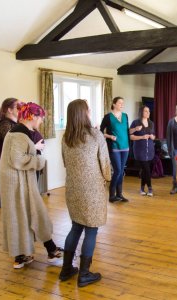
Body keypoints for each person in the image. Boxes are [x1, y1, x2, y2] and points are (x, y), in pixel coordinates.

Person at [0, 102, 63, 269]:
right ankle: (51, 250)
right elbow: (18, 159)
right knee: (34, 212)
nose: (41, 121)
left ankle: (22, 256)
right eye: (40, 118)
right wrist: (40, 160)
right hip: (18, 182)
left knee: (19, 215)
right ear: (33, 117)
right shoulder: (20, 134)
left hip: (15, 180)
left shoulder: (18, 131)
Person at [60, 99, 111, 287]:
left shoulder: (66, 137)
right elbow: (105, 164)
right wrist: (107, 179)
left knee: (76, 227)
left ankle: (66, 269)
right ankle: (84, 274)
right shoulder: (96, 135)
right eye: (88, 109)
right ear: (84, 113)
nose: (90, 112)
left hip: (73, 187)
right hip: (92, 189)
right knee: (91, 229)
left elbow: (65, 162)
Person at [0, 98, 19, 208]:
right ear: (10, 110)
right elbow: (14, 144)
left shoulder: (14, 124)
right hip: (6, 163)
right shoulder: (4, 125)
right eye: (18, 107)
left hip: (11, 161)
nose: (21, 109)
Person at [100, 96, 130, 203]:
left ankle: (120, 194)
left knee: (121, 171)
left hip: (125, 147)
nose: (122, 105)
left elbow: (126, 131)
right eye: (120, 103)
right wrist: (109, 136)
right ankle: (111, 194)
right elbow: (100, 132)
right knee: (117, 170)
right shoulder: (108, 117)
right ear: (114, 104)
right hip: (114, 147)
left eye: (123, 103)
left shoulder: (125, 116)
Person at [129, 105, 156, 196]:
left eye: (149, 111)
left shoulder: (151, 123)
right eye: (146, 111)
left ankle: (141, 188)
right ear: (141, 112)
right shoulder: (135, 122)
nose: (148, 113)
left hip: (150, 150)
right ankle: (150, 188)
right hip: (140, 150)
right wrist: (141, 137)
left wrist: (153, 137)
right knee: (146, 170)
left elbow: (154, 135)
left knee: (145, 170)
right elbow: (131, 136)